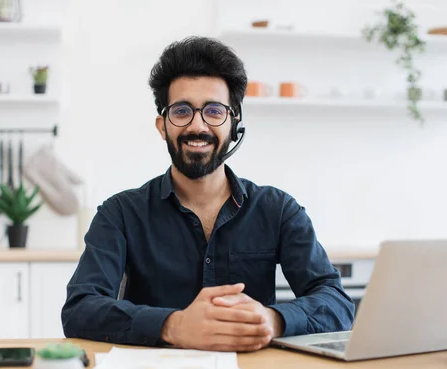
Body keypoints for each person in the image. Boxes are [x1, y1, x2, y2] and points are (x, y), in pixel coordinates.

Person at [61, 36, 354, 352]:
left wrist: (273, 320)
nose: (197, 125)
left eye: (214, 111)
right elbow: (80, 308)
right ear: (163, 125)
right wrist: (174, 326)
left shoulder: (279, 210)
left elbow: (336, 302)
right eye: (182, 110)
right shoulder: (119, 213)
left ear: (233, 122)